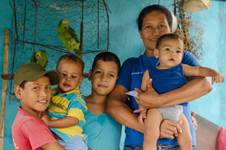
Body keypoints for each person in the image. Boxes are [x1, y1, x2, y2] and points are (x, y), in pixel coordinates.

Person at [107, 4, 212, 150]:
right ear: (140, 32)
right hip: (138, 144)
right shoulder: (131, 65)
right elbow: (113, 105)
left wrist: (157, 101)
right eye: (148, 27)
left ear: (171, 29)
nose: (156, 32)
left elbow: (205, 84)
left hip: (180, 143)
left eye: (162, 26)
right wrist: (152, 129)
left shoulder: (183, 58)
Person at [135, 33, 224, 150]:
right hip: (156, 110)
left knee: (187, 138)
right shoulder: (150, 72)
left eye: (178, 51)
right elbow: (142, 93)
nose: (173, 54)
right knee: (150, 134)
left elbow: (198, 70)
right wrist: (142, 109)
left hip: (177, 110)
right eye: (167, 49)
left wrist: (213, 73)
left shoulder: (182, 68)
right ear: (157, 53)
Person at [41, 54, 88, 150]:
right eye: (64, 74)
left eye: (73, 76)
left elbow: (73, 119)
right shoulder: (52, 93)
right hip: (56, 138)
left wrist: (49, 123)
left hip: (72, 141)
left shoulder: (76, 99)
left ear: (80, 80)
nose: (68, 79)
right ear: (56, 74)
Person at [12, 63, 63, 150]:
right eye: (36, 88)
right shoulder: (31, 123)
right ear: (19, 92)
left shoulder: (22, 117)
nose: (44, 94)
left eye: (47, 87)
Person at [83, 51, 122, 150]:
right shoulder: (77, 104)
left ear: (117, 80)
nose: (104, 78)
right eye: (99, 72)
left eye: (111, 75)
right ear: (90, 75)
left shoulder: (121, 108)